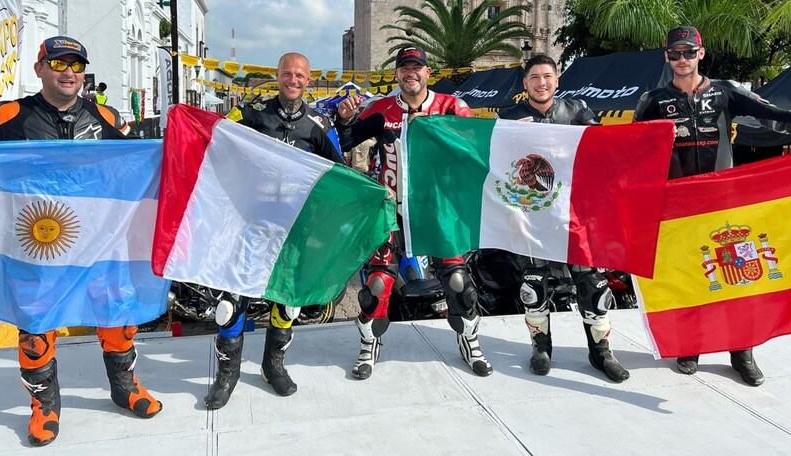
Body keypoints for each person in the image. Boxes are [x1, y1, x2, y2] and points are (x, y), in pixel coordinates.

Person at [0, 35, 161, 446]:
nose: (69, 72)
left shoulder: (109, 117)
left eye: (77, 65)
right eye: (59, 64)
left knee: (118, 311)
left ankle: (125, 386)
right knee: (35, 324)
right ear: (39, 68)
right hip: (37, 243)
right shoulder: (6, 116)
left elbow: (140, 165)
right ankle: (44, 404)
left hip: (101, 243)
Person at [635, 25, 791, 386]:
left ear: (701, 54)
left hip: (726, 204)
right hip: (679, 206)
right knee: (690, 278)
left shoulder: (724, 92)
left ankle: (742, 351)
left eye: (689, 52)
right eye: (675, 53)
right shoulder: (653, 100)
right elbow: (631, 150)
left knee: (739, 276)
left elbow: (774, 115)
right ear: (666, 57)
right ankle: (691, 346)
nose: (683, 59)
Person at [335, 45, 493, 380]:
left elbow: (472, 150)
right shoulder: (378, 109)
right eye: (405, 68)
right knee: (377, 284)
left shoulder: (452, 106)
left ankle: (470, 341)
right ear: (397, 74)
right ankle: (369, 347)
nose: (411, 73)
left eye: (417, 68)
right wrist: (344, 119)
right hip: (392, 209)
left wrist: (437, 128)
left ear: (428, 73)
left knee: (457, 280)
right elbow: (348, 141)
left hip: (438, 210)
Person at [205, 52, 345, 409]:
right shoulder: (253, 114)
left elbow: (341, 174)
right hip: (251, 225)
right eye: (287, 73)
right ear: (278, 76)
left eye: (300, 75)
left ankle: (273, 366)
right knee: (231, 303)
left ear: (308, 80)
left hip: (294, 229)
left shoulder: (319, 123)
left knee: (286, 302)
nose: (293, 80)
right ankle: (227, 375)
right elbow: (213, 132)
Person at [497, 55, 630, 383]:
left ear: (556, 81)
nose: (541, 83)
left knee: (593, 286)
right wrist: (511, 213)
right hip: (532, 216)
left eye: (547, 76)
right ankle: (541, 348)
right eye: (534, 77)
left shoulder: (578, 111)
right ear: (525, 83)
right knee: (533, 286)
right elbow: (498, 167)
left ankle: (601, 352)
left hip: (575, 214)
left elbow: (603, 152)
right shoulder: (509, 117)